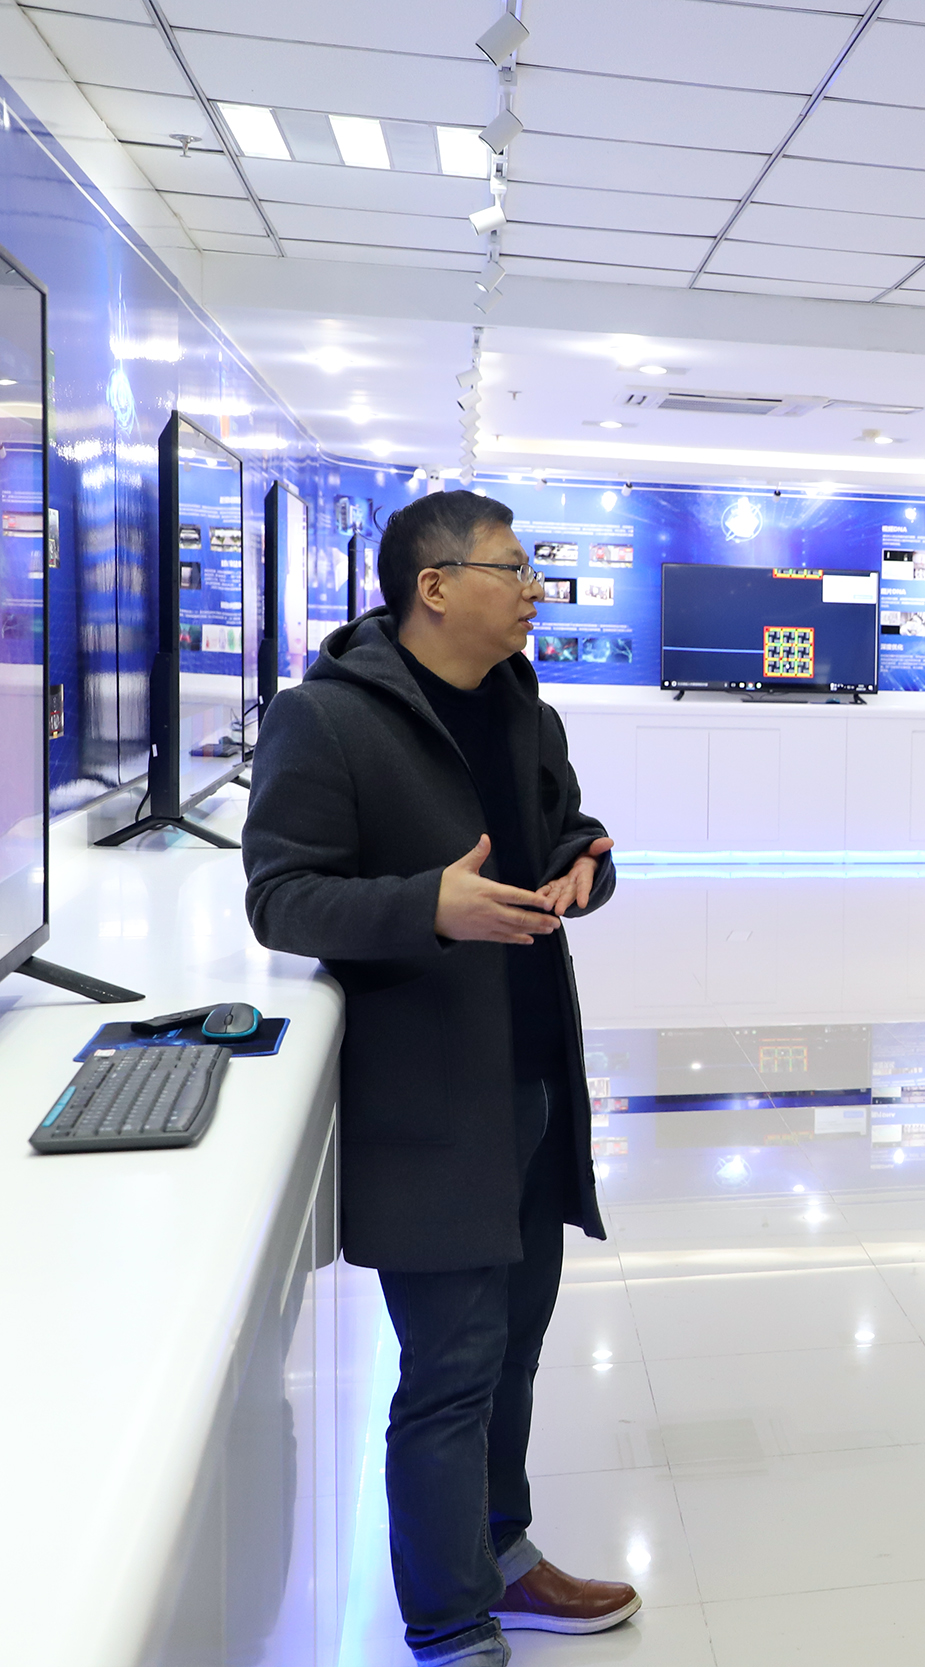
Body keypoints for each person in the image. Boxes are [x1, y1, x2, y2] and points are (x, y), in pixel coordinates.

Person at [243, 491, 637, 1666]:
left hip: (534, 1084)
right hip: (430, 1106)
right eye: (513, 569)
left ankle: (502, 1553)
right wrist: (430, 905)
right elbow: (281, 897)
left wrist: (584, 864)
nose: (534, 591)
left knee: (512, 1351)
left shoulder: (523, 709)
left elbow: (569, 828)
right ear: (434, 584)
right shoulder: (325, 718)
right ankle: (450, 1625)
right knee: (451, 1371)